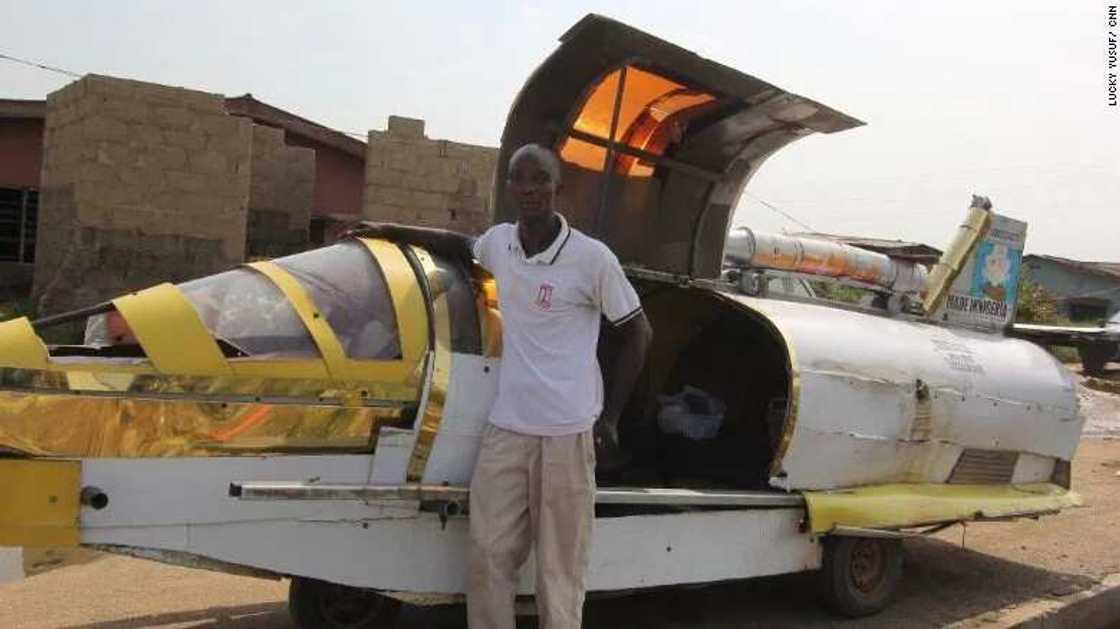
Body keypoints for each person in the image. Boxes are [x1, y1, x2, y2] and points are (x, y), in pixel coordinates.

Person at [353, 143, 652, 628]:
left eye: (540, 180)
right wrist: (388, 230)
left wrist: (611, 417)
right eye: (520, 180)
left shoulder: (592, 259)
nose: (530, 189)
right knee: (489, 554)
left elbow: (638, 332)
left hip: (566, 433)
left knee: (560, 567)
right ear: (510, 186)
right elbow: (455, 242)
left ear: (559, 187)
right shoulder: (501, 244)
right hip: (507, 429)